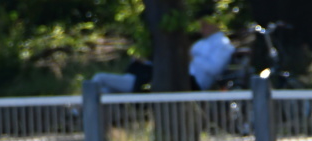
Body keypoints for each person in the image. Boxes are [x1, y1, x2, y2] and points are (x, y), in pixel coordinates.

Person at [92, 17, 235, 93]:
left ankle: (79, 114)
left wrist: (191, 59)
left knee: (100, 78)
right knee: (106, 91)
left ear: (217, 24)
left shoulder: (223, 45)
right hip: (172, 75)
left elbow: (214, 69)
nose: (202, 27)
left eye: (206, 24)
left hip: (190, 82)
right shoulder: (200, 43)